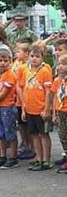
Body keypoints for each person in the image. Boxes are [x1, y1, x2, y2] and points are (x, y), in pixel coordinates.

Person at [21, 42, 54, 171]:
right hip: (30, 108)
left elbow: (48, 92)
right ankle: (38, 158)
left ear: (42, 57)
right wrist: (24, 107)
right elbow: (24, 89)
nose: (34, 58)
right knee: (34, 134)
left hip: (41, 109)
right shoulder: (26, 70)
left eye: (37, 56)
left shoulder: (45, 70)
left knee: (43, 134)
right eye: (32, 55)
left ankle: (46, 160)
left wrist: (47, 109)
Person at [13, 38, 34, 160]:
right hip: (17, 100)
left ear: (26, 53)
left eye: (18, 51)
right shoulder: (16, 64)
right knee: (21, 124)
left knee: (29, 125)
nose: (16, 53)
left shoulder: (27, 67)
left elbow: (20, 85)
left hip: (26, 99)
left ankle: (31, 146)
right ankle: (25, 144)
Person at [0, 46, 19, 169]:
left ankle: (13, 157)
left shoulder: (10, 75)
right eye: (0, 60)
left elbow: (4, 93)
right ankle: (2, 156)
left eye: (5, 60)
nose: (2, 63)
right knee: (1, 133)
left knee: (10, 133)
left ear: (10, 61)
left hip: (7, 107)